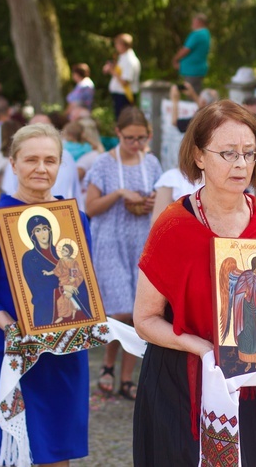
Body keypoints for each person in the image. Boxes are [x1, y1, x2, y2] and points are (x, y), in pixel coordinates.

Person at [133, 99, 256, 465]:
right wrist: (206, 350)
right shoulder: (173, 225)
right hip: (180, 384)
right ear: (199, 156)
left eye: (249, 154)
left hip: (250, 382)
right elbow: (144, 320)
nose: (240, 164)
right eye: (228, 153)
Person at [0, 124, 92, 466]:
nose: (41, 168)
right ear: (13, 163)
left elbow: (83, 283)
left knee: (57, 451)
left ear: (60, 165)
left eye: (50, 160)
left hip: (63, 351)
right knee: (15, 451)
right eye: (31, 159)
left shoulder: (75, 220)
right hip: (13, 352)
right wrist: (10, 327)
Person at [85, 106, 162, 400]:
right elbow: (90, 207)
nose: (136, 144)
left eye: (141, 138)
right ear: (118, 134)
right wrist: (118, 194)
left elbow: (162, 203)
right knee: (119, 309)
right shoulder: (103, 164)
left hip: (142, 240)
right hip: (111, 241)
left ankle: (127, 376)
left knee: (138, 312)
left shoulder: (151, 162)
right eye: (130, 138)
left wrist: (151, 201)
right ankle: (107, 364)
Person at [104, 33, 141, 120]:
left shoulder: (130, 60)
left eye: (117, 44)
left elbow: (125, 82)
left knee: (124, 121)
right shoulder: (122, 57)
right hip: (119, 95)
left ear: (124, 45)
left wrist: (112, 71)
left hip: (124, 97)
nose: (115, 46)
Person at [172, 13, 211, 94]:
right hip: (197, 70)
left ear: (200, 22)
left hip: (192, 71)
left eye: (194, 22)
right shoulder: (206, 33)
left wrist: (175, 59)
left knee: (191, 94)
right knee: (194, 92)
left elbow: (186, 50)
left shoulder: (197, 34)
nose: (192, 24)